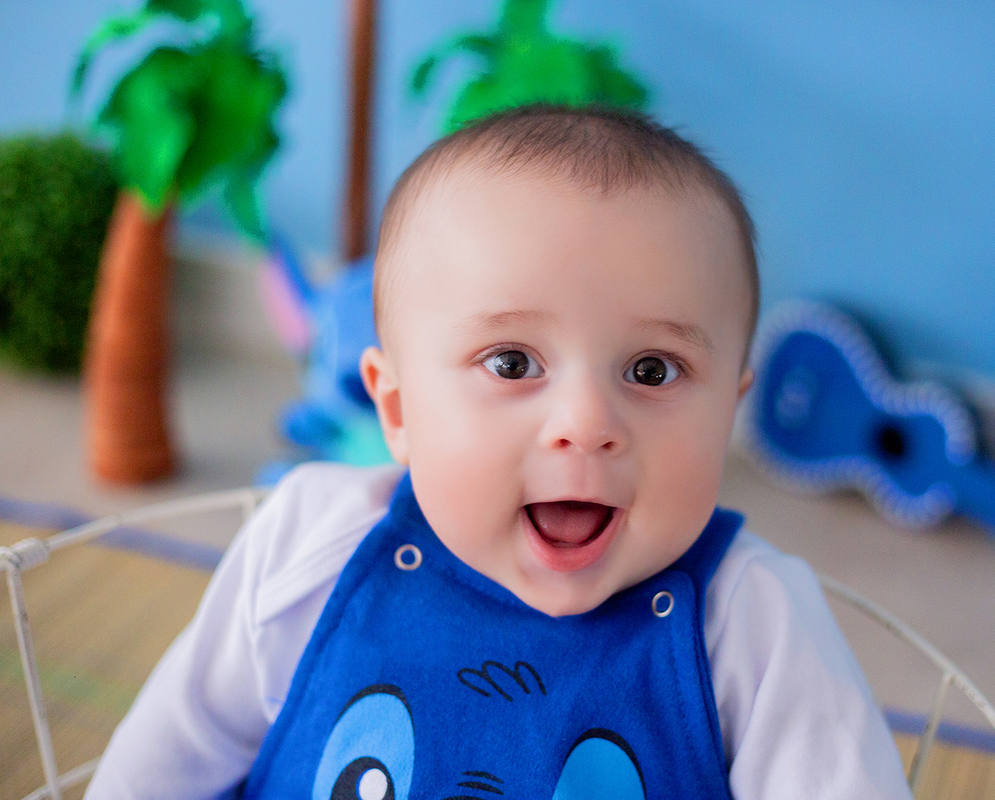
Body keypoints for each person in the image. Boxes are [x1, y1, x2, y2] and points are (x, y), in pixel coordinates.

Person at [86, 106, 912, 799]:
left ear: (729, 412)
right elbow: (162, 762)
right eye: (513, 363)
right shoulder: (313, 542)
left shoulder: (752, 624)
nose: (587, 423)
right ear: (399, 409)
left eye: (653, 370)